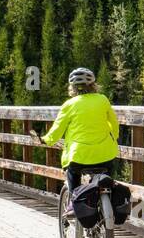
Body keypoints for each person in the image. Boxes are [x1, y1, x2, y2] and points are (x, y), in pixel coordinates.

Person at [38, 68, 121, 199]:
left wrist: (46, 140)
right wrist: (113, 138)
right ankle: (108, 205)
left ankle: (73, 204)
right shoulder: (103, 100)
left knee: (73, 176)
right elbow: (114, 123)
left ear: (73, 87)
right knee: (108, 182)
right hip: (105, 154)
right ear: (93, 85)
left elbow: (57, 129)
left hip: (79, 156)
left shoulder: (69, 104)